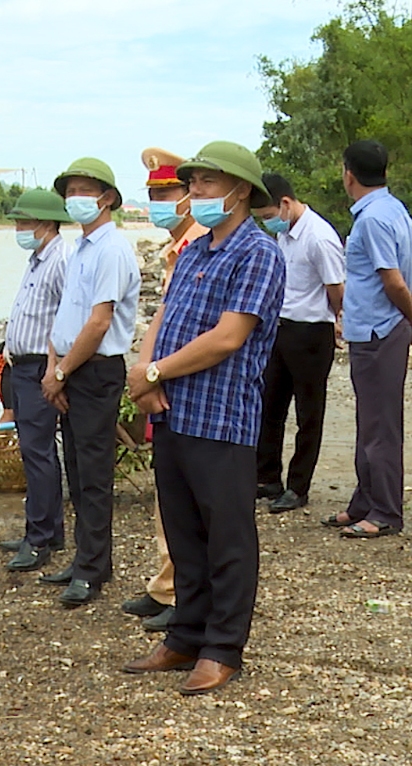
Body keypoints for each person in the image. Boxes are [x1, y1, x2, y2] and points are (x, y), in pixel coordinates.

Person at [123, 141, 285, 695]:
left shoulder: (258, 254)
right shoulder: (193, 251)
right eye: (193, 183)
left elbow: (228, 337)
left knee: (228, 538)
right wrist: (144, 369)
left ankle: (222, 648)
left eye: (209, 183)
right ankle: (184, 636)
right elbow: (164, 314)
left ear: (241, 191)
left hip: (221, 415)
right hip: (172, 412)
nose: (196, 192)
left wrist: (154, 374)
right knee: (184, 533)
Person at [39, 158, 140, 606]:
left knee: (95, 474)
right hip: (69, 369)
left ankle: (94, 569)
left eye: (84, 189)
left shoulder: (112, 249)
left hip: (95, 371)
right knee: (76, 471)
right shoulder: (80, 248)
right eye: (70, 190)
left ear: (108, 199)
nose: (75, 197)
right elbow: (64, 316)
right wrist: (53, 367)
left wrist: (62, 373)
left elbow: (99, 323)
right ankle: (86, 559)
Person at [121, 148, 210, 633]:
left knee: (185, 501)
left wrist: (154, 373)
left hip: (184, 386)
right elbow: (164, 318)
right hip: (162, 381)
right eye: (153, 194)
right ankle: (164, 586)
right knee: (167, 499)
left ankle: (181, 593)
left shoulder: (199, 245)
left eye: (167, 193)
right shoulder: (179, 247)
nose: (160, 203)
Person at [323, 140, 412, 539]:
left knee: (380, 425)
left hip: (380, 329)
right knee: (369, 421)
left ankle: (385, 512)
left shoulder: (373, 219)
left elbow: (392, 280)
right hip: (372, 328)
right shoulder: (392, 209)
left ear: (349, 174)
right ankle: (364, 501)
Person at [253, 173, 345, 514]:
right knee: (270, 405)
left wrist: (338, 321)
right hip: (281, 326)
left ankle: (298, 485)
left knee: (309, 413)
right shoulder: (285, 235)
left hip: (311, 331)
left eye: (267, 215)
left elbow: (336, 287)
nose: (267, 223)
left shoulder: (318, 237)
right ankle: (267, 476)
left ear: (286, 204)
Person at [0, 188, 72, 573]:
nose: (19, 228)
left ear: (44, 223)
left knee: (37, 452)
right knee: (35, 450)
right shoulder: (38, 258)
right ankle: (45, 530)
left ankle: (40, 538)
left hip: (40, 367)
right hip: (23, 365)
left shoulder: (60, 260)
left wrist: (54, 369)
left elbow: (65, 317)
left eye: (24, 222)